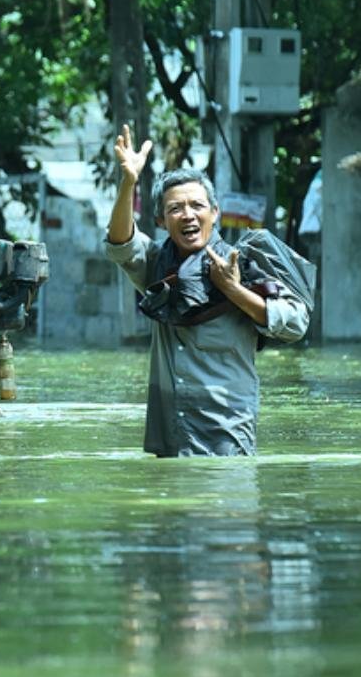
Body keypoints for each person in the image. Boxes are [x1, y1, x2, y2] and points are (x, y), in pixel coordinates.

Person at [105, 124, 309, 457]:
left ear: (215, 213)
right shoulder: (157, 265)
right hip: (169, 433)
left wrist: (233, 289)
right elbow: (120, 245)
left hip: (226, 432)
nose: (187, 215)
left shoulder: (243, 264)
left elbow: (296, 323)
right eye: (175, 208)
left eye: (197, 206)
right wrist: (128, 183)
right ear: (160, 221)